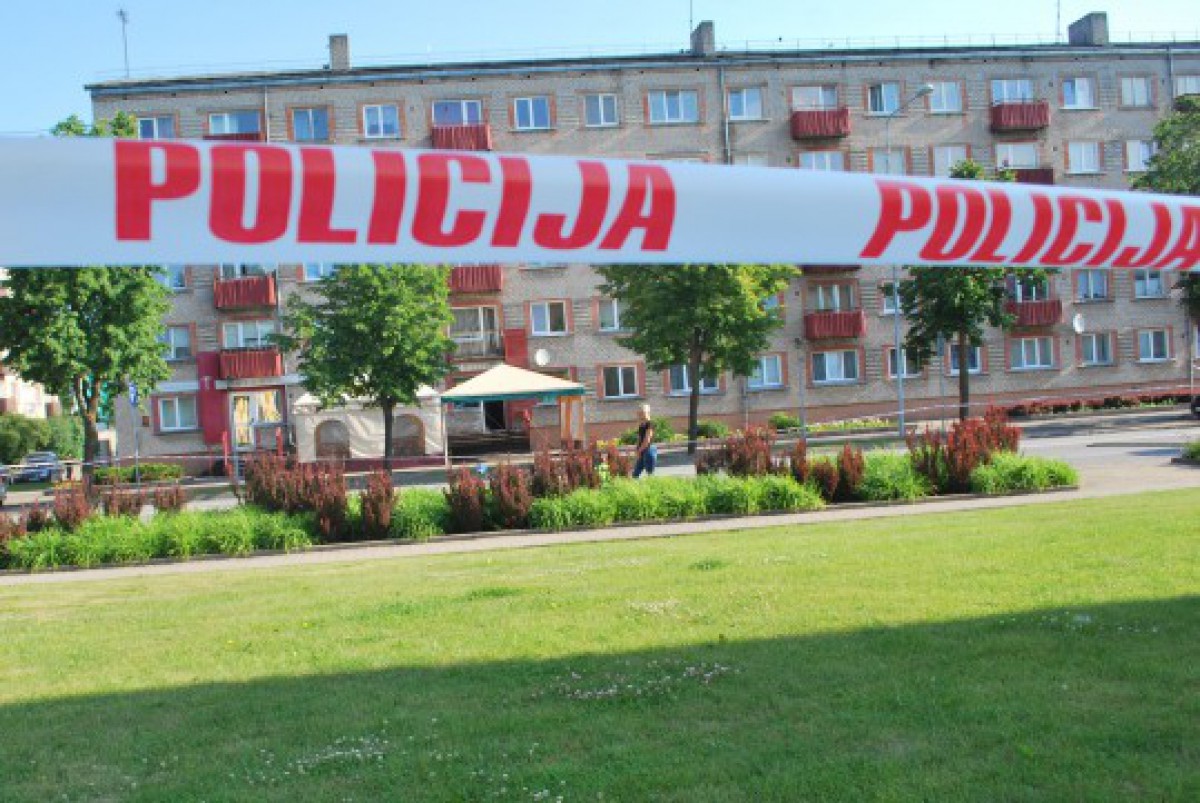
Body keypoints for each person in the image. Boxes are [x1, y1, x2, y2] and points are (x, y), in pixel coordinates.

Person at [632, 404, 657, 478]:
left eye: (642, 413)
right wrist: (636, 449)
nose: (640, 415)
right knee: (635, 475)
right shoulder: (641, 425)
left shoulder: (650, 424)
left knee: (649, 474)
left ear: (648, 412)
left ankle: (652, 485)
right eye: (639, 413)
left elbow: (647, 440)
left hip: (649, 450)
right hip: (642, 450)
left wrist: (639, 451)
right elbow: (639, 438)